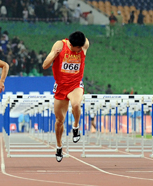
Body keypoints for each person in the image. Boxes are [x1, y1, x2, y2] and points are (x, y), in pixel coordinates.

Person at [42, 31, 89, 162]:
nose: (80, 50)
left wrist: (82, 47)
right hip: (61, 86)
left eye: (82, 47)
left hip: (75, 84)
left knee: (76, 104)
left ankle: (75, 127)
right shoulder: (60, 45)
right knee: (59, 121)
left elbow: (84, 44)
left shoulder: (84, 45)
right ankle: (58, 146)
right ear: (71, 45)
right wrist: (54, 56)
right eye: (78, 48)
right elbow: (45, 65)